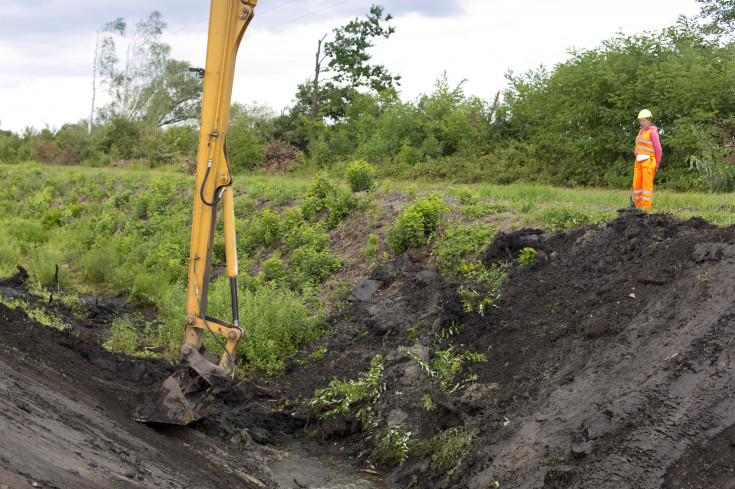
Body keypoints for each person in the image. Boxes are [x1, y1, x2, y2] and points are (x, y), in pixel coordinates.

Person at [632, 109, 662, 210]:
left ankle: (645, 208)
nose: (642, 123)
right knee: (636, 185)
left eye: (644, 120)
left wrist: (657, 163)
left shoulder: (653, 132)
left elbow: (658, 149)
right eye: (640, 121)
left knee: (646, 186)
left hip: (649, 161)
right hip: (639, 161)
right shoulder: (641, 131)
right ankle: (637, 207)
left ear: (650, 120)